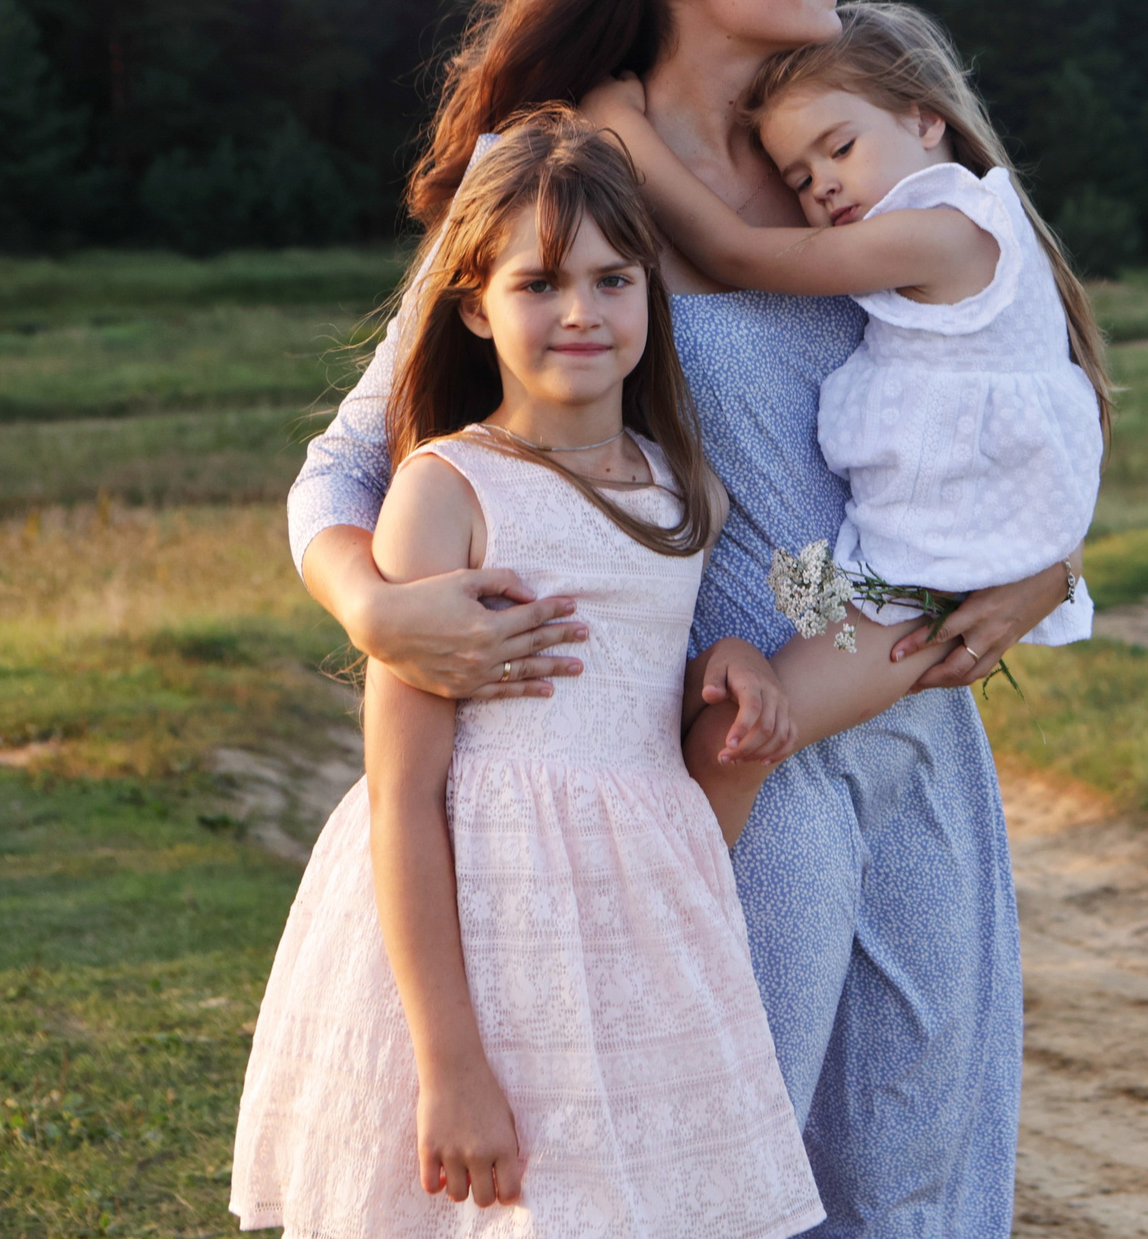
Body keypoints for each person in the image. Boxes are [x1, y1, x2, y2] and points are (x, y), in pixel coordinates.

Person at [287, 0, 1065, 1235]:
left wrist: (1045, 553)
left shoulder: (836, 162)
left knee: (916, 1178)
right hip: (727, 762)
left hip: (913, 736)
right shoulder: (568, 178)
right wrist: (376, 605)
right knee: (720, 1182)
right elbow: (343, 467)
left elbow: (1004, 382)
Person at [233, 112, 822, 1238]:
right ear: (471, 306)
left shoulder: (676, 491)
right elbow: (402, 795)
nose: (582, 314)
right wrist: (449, 1067)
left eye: (613, 280)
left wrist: (735, 679)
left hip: (637, 940)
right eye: (539, 284)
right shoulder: (449, 489)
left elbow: (674, 782)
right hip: (483, 945)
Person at [586, 1, 1110, 842]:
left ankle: (684, 917)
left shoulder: (942, 232)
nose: (821, 184)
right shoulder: (961, 226)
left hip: (912, 593)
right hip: (895, 570)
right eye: (797, 175)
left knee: (740, 736)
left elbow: (739, 254)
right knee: (720, 713)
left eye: (840, 148)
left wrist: (620, 128)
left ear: (925, 117)